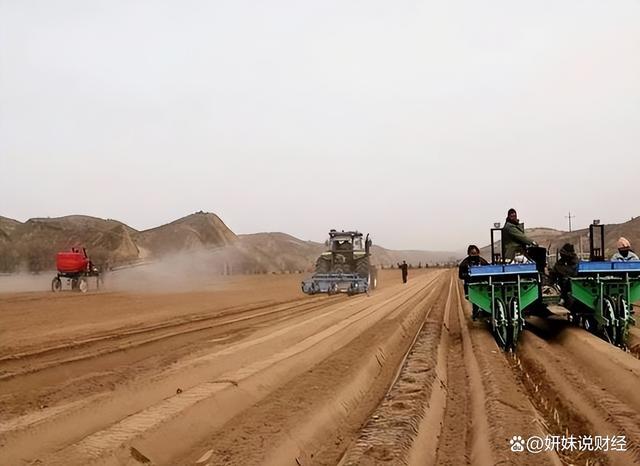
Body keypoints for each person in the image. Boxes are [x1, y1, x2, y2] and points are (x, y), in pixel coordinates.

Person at [458, 245, 489, 320]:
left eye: (475, 253)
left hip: (482, 284)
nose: (474, 255)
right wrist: (468, 275)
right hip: (471, 285)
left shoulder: (482, 261)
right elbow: (461, 275)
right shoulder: (464, 263)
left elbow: (488, 270)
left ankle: (485, 312)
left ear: (478, 253)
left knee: (485, 298)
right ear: (469, 253)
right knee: (475, 300)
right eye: (472, 253)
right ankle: (475, 313)